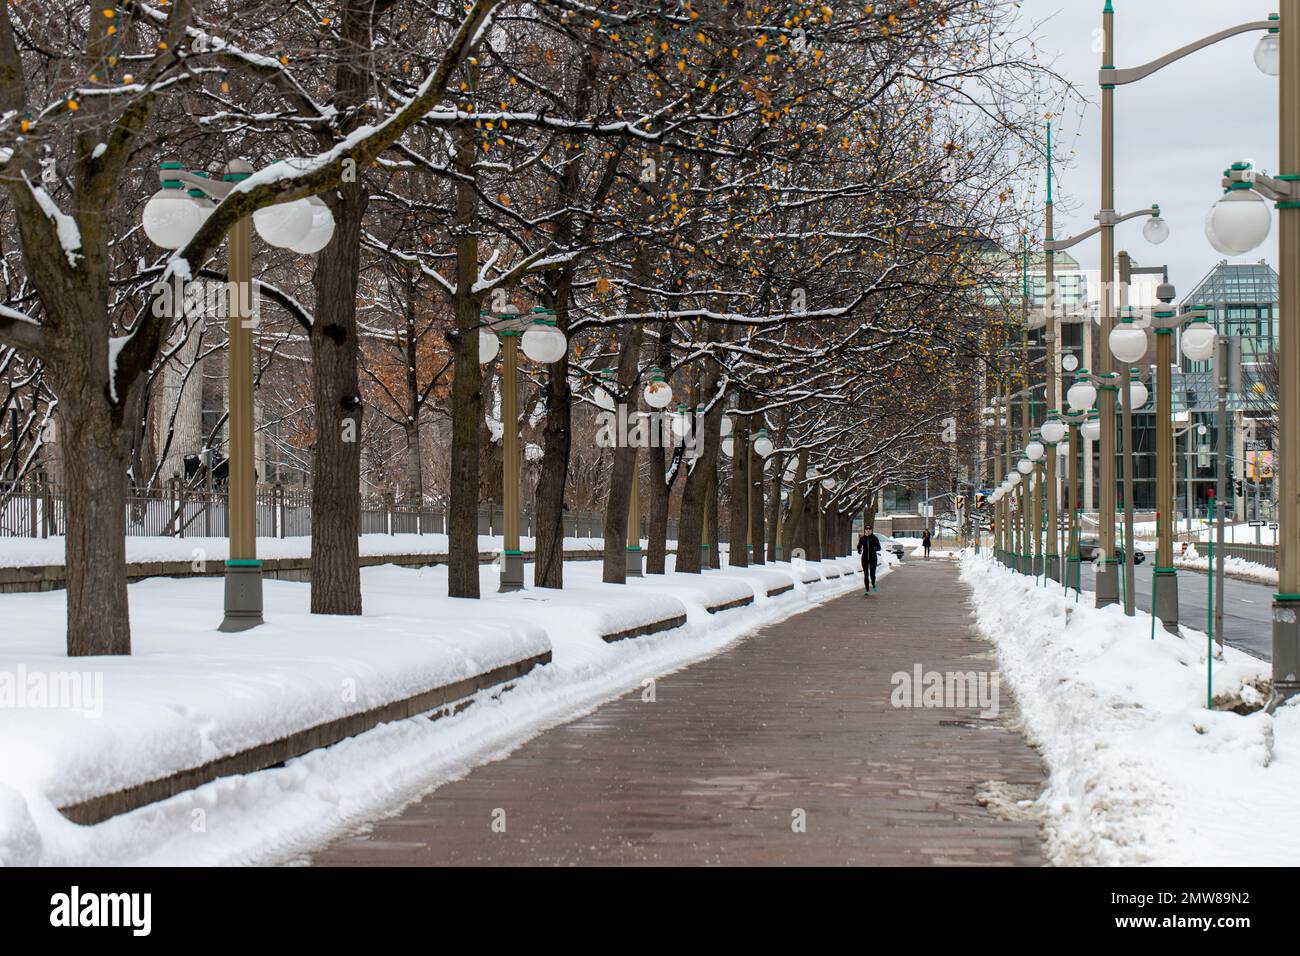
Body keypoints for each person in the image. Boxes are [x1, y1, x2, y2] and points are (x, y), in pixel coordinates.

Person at [857, 525, 882, 594]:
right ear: (865, 530)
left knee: (872, 574)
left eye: (869, 529)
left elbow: (879, 547)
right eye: (867, 529)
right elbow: (859, 546)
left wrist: (874, 548)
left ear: (871, 530)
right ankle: (867, 590)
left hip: (873, 558)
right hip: (864, 558)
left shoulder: (874, 538)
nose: (868, 530)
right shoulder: (862, 538)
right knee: (866, 574)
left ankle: (873, 584)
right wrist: (859, 550)